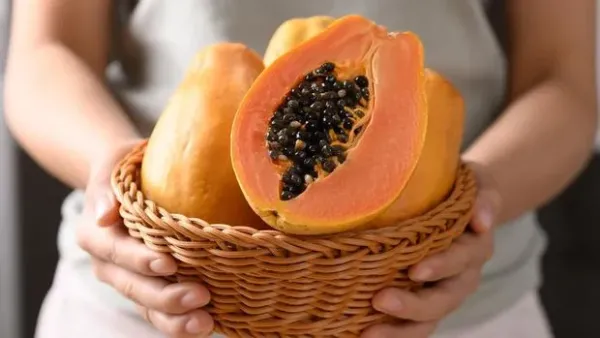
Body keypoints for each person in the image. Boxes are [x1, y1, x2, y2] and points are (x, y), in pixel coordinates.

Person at [4, 1, 596, 337]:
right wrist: (109, 172)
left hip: (447, 302)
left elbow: (567, 79)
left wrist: (478, 202)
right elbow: (44, 54)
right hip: (145, 295)